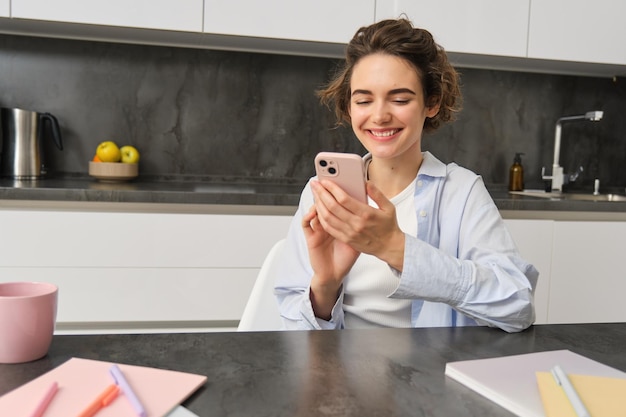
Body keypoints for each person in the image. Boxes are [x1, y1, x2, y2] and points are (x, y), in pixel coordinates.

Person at [274, 18, 538, 333]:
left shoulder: (462, 192)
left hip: (430, 377)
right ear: (349, 106)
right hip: (339, 375)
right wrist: (326, 284)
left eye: (400, 99)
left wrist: (396, 249)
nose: (380, 115)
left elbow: (518, 308)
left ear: (432, 102)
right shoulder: (323, 192)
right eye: (363, 100)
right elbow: (292, 329)